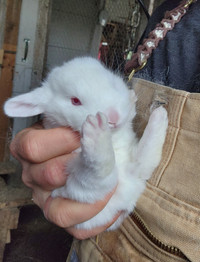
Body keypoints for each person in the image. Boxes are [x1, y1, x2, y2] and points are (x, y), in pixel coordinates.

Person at [10, 0, 200, 261]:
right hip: (95, 235)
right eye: (76, 102)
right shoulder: (168, 13)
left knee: (128, 164)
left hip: (150, 234)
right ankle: (100, 164)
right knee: (96, 172)